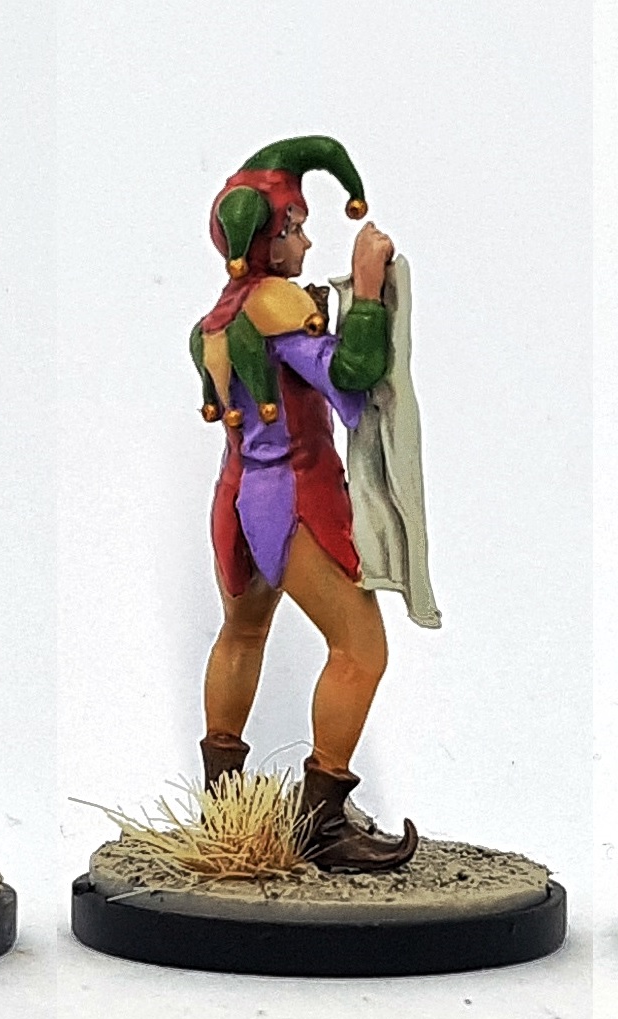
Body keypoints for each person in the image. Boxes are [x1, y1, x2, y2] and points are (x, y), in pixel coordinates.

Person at [190, 136, 418, 873]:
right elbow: (353, 372)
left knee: (241, 635)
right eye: (295, 227)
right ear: (266, 238)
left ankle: (222, 809)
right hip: (291, 495)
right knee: (360, 649)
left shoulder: (213, 321)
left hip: (236, 495)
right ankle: (322, 826)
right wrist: (367, 292)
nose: (306, 241)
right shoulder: (274, 302)